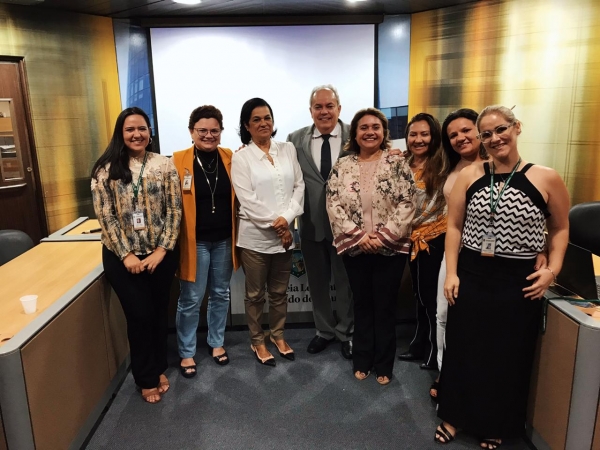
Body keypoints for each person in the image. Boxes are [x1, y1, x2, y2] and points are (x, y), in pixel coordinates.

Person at [435, 105, 570, 448]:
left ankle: (495, 422)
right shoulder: (471, 174)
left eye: (501, 130)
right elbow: (454, 227)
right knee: (464, 346)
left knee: (507, 353)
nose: (495, 138)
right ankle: (454, 415)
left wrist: (552, 270)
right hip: (472, 271)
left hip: (518, 278)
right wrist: (452, 273)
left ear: (516, 127)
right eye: (487, 134)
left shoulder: (546, 176)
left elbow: (560, 228)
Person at [91, 107, 182, 404]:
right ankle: (145, 378)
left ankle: (157, 368)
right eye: (130, 129)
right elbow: (105, 216)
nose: (136, 134)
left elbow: (175, 210)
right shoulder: (105, 169)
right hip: (121, 257)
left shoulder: (163, 164)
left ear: (150, 132)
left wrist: (161, 250)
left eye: (142, 128)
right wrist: (126, 254)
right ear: (121, 133)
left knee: (157, 313)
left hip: (160, 254)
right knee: (139, 315)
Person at [326, 108, 415, 385]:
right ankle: (362, 358)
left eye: (375, 127)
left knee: (385, 306)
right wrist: (359, 237)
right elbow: (332, 203)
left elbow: (408, 202)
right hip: (355, 248)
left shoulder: (397, 163)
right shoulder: (342, 165)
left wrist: (382, 237)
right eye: (363, 127)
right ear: (355, 133)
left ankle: (384, 364)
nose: (370, 132)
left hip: (390, 248)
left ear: (384, 132)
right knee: (363, 304)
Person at [231, 97, 305, 367]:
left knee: (279, 292)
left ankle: (278, 335)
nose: (264, 123)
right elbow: (248, 201)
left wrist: (286, 220)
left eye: (267, 118)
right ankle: (257, 341)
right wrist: (279, 224)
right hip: (255, 239)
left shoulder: (287, 149)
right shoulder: (241, 158)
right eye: (256, 120)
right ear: (247, 126)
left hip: (285, 235)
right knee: (254, 295)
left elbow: (299, 187)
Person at [286, 85, 354, 359]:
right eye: (318, 107)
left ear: (339, 107)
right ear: (311, 110)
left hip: (348, 228)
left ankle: (347, 332)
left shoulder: (354, 135)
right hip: (311, 224)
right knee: (317, 283)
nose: (324, 111)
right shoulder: (295, 139)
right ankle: (324, 331)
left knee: (346, 283)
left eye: (329, 106)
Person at [173, 105, 238, 378]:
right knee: (191, 298)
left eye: (214, 130)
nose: (209, 135)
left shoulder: (230, 157)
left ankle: (216, 342)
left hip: (224, 239)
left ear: (221, 133)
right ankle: (187, 351)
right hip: (194, 242)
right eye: (202, 130)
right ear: (191, 132)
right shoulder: (177, 160)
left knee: (221, 294)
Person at [397, 113, 448, 371]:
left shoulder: (443, 165)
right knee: (419, 295)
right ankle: (419, 344)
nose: (418, 140)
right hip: (410, 237)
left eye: (424, 134)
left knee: (431, 298)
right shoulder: (403, 163)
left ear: (434, 136)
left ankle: (432, 351)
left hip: (435, 239)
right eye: (413, 134)